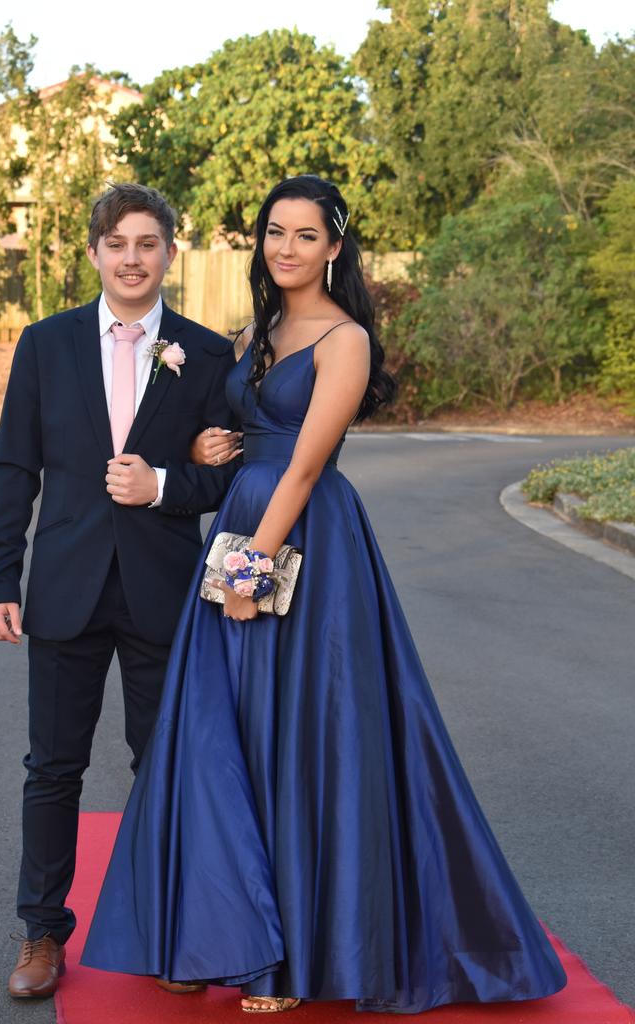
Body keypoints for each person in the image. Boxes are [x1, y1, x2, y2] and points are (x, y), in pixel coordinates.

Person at [80, 175, 567, 1013]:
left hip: (302, 540)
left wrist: (249, 568)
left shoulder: (345, 341)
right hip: (240, 518)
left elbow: (306, 464)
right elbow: (237, 434)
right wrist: (206, 442)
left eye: (307, 235)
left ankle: (291, 961)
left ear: (336, 247)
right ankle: (214, 936)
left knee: (296, 738)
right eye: (276, 232)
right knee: (216, 733)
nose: (287, 248)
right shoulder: (257, 331)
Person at [0, 183, 241, 999]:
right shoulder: (45, 344)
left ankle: (172, 929)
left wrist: (164, 483)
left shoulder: (206, 354)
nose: (132, 258)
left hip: (163, 590)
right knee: (53, 769)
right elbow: (15, 466)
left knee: (163, 765)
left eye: (148, 243)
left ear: (170, 252)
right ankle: (41, 935)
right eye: (117, 243)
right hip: (63, 588)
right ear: (94, 252)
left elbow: (226, 482)